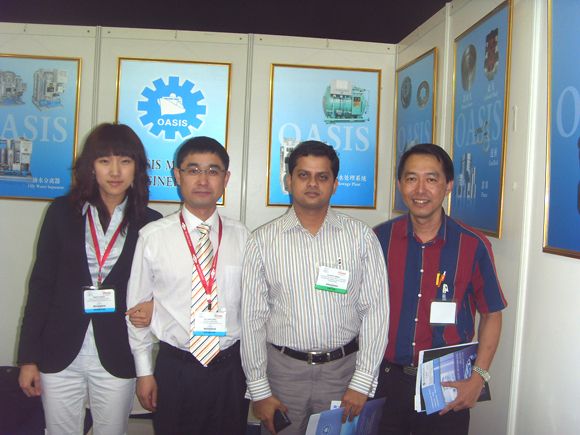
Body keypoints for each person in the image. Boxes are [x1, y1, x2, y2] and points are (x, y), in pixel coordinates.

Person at [17, 123, 162, 435]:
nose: (115, 171)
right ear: (90, 167)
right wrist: (28, 358)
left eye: (125, 161)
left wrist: (156, 306)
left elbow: (163, 287)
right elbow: (40, 286)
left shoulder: (151, 224)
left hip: (117, 349)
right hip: (60, 349)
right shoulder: (61, 212)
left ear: (137, 168)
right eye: (104, 160)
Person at [241, 140, 389, 435]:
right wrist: (259, 389)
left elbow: (376, 311)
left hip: (343, 374)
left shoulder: (360, 237)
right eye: (303, 175)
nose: (312, 184)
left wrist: (362, 381)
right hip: (282, 374)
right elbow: (252, 320)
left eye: (322, 176)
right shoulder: (262, 241)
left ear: (335, 184)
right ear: (288, 181)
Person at [373, 143, 507, 435]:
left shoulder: (473, 245)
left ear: (448, 185)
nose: (420, 189)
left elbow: (492, 314)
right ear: (400, 184)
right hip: (386, 382)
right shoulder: (379, 240)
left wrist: (478, 377)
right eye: (411, 178)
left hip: (447, 387)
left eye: (431, 179)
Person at [126, 136, 250, 434]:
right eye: (193, 170)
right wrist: (144, 372)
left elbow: (254, 307)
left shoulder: (243, 237)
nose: (203, 180)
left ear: (226, 179)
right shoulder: (153, 237)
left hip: (230, 370)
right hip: (175, 368)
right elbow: (137, 310)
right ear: (177, 176)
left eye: (213, 171)